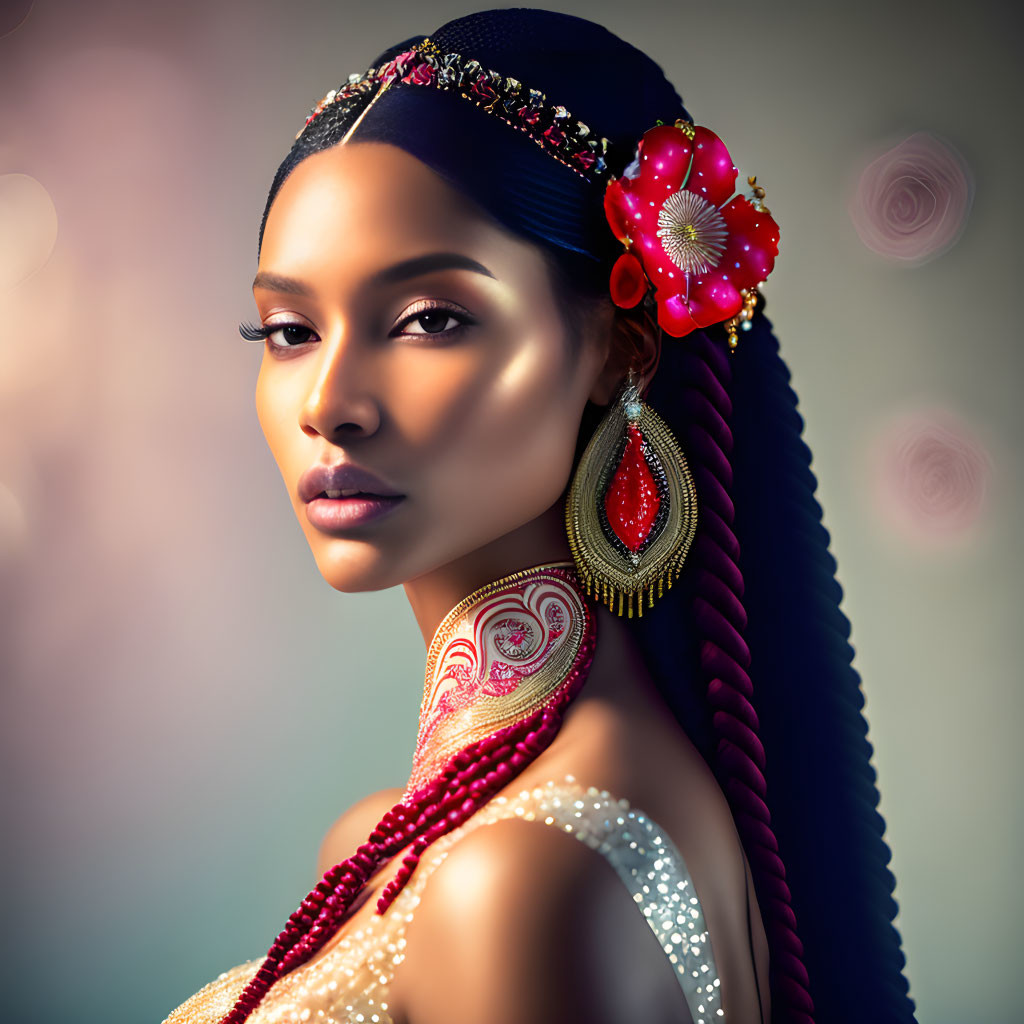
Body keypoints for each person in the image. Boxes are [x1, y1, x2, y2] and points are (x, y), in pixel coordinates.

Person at [162, 9, 917, 1024]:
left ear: (619, 350)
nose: (327, 401)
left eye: (430, 319)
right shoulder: (401, 850)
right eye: (290, 329)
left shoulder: (521, 883)